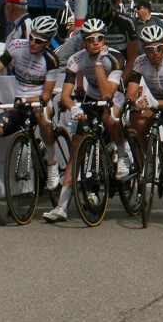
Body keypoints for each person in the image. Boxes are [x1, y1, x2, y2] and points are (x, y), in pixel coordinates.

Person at [42, 19, 130, 222]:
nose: (96, 43)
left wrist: (98, 63)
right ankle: (61, 206)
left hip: (114, 95)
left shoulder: (115, 58)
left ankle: (121, 153)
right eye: (91, 39)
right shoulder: (76, 59)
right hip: (91, 98)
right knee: (76, 146)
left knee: (109, 117)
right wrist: (74, 108)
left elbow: (108, 93)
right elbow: (65, 95)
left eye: (100, 38)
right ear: (84, 42)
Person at [0, 16, 61, 200]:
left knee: (42, 115)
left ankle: (52, 163)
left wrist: (28, 100)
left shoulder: (51, 60)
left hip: (38, 104)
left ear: (48, 42)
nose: (33, 43)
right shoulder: (17, 46)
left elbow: (46, 95)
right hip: (19, 107)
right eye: (32, 37)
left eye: (39, 41)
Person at [125, 25, 163, 156]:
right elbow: (130, 94)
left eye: (159, 48)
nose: (155, 53)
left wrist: (155, 103)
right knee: (139, 124)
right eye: (150, 49)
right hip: (158, 105)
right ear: (144, 50)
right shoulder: (139, 62)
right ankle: (147, 160)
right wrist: (137, 101)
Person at [88, 0, 138, 81]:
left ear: (112, 12)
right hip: (100, 61)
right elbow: (83, 48)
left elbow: (132, 58)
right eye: (99, 20)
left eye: (106, 19)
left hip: (123, 62)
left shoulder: (126, 22)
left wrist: (121, 82)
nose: (103, 24)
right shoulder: (89, 19)